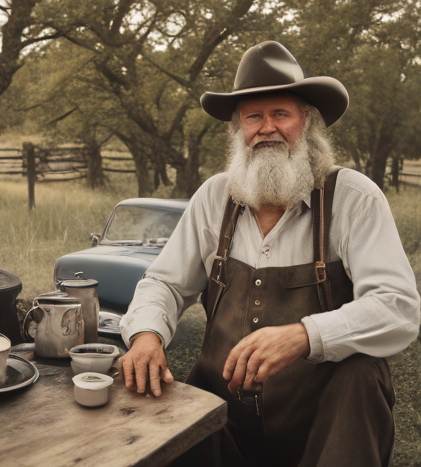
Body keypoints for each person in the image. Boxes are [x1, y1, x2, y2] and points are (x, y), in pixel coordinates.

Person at [119, 41, 420, 466]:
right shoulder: (214, 197)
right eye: (253, 116)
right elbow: (164, 283)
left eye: (281, 114)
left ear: (306, 122)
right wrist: (147, 334)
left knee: (361, 373)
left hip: (326, 424)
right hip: (224, 421)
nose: (267, 128)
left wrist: (304, 335)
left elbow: (399, 307)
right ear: (239, 128)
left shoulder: (353, 198)